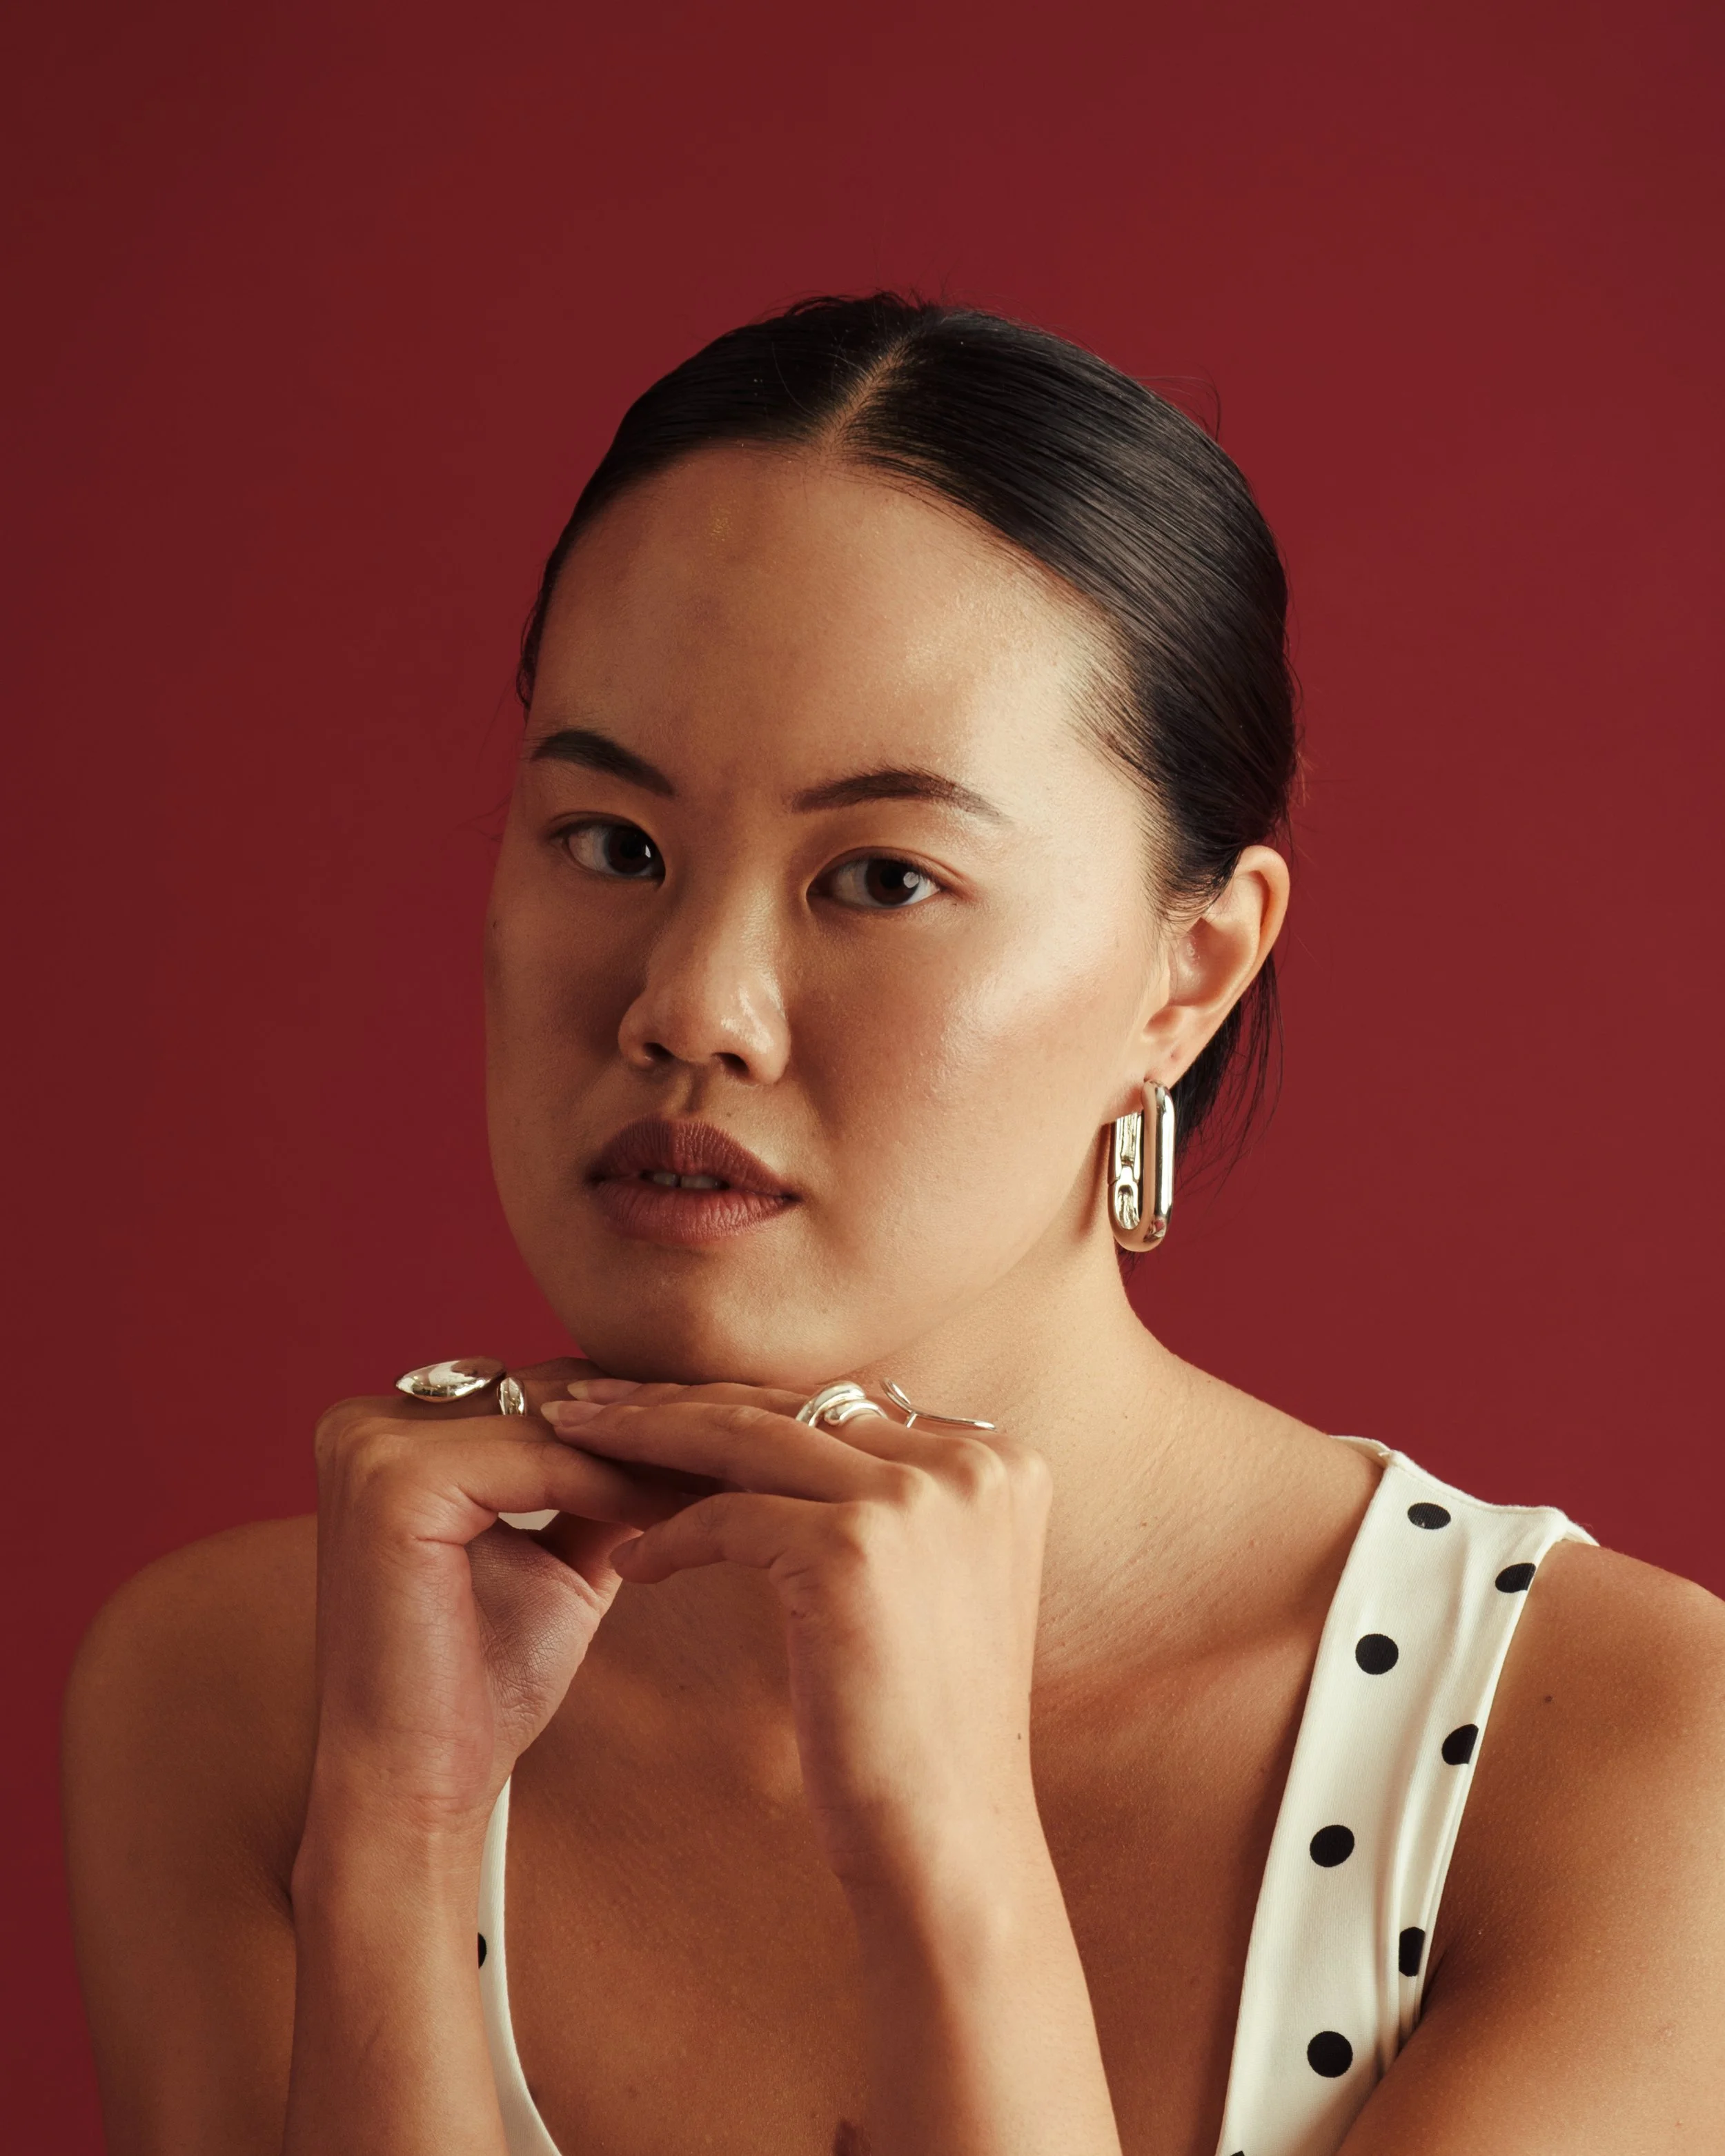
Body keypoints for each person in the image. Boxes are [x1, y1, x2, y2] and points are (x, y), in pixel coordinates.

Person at [63, 295, 1725, 2156]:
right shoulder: (239, 1697)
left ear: (1186, 975)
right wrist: (402, 1831)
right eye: (611, 842)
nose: (692, 1003)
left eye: (881, 877)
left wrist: (946, 1854)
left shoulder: (1608, 1758)